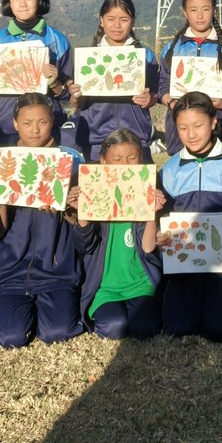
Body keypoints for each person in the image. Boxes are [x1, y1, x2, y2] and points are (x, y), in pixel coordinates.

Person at [157, 92, 222, 341]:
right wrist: (161, 229)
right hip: (184, 263)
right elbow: (162, 215)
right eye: (182, 127)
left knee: (221, 331)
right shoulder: (170, 169)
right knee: (178, 328)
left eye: (198, 125)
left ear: (214, 122)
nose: (190, 134)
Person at [0, 92, 85, 348]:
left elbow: (79, 225)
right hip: (11, 271)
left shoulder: (70, 160)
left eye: (42, 122)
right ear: (14, 123)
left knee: (58, 332)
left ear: (52, 121)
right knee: (11, 338)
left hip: (57, 271)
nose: (35, 130)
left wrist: (69, 205)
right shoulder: (4, 162)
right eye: (26, 123)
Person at [70, 129, 163, 340]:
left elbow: (148, 248)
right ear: (103, 161)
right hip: (105, 287)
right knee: (114, 327)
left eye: (132, 158)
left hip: (140, 284)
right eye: (117, 159)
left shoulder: (143, 191)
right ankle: (104, 307)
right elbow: (84, 246)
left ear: (141, 160)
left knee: (145, 328)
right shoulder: (94, 192)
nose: (126, 165)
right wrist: (82, 212)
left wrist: (152, 213)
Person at [0, 0, 73, 146]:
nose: (22, 3)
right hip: (3, 129)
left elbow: (67, 95)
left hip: (44, 133)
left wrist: (54, 82)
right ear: (9, 2)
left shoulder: (58, 41)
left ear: (40, 0)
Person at [157, 0, 222, 154]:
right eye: (193, 10)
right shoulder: (171, 49)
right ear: (185, 12)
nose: (200, 15)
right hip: (182, 131)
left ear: (214, 11)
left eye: (206, 9)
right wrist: (174, 104)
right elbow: (162, 87)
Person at [67, 0, 159, 162]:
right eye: (110, 19)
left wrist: (149, 99)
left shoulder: (145, 55)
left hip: (136, 138)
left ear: (133, 21)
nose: (117, 25)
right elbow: (77, 103)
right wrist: (74, 97)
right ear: (101, 20)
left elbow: (154, 94)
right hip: (95, 140)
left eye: (124, 19)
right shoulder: (87, 58)